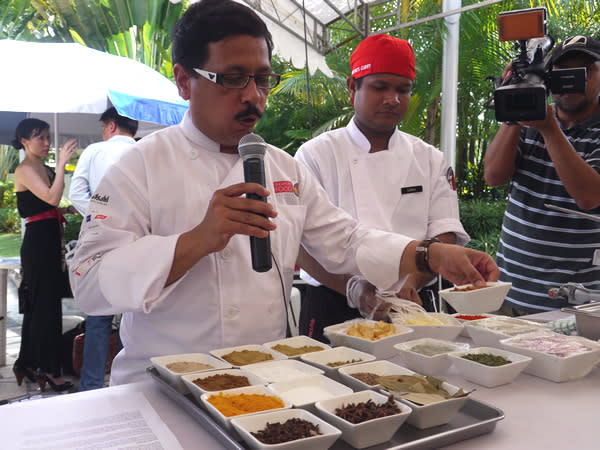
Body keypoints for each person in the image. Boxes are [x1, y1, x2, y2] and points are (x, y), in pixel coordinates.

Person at [69, 0, 498, 386]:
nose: (253, 96)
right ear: (184, 80)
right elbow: (89, 282)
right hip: (162, 385)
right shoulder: (138, 166)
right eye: (233, 79)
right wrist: (196, 241)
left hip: (264, 384)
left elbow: (345, 240)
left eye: (262, 79)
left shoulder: (283, 167)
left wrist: (431, 255)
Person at [294, 34, 469, 342]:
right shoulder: (315, 154)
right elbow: (302, 243)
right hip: (333, 301)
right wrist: (353, 288)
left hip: (410, 302)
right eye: (380, 87)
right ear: (352, 87)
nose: (393, 99)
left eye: (402, 89)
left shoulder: (429, 159)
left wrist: (411, 281)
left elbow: (445, 233)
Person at [484, 35, 600, 314]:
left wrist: (549, 129)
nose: (572, 80)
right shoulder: (530, 119)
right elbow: (494, 175)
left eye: (584, 70)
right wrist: (516, 101)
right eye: (561, 72)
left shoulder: (545, 123)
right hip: (509, 296)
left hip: (575, 308)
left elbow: (589, 196)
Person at [69, 107, 138, 391]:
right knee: (135, 315)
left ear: (110, 125)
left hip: (102, 241)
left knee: (98, 317)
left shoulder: (95, 151)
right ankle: (131, 382)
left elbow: (75, 193)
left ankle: (92, 387)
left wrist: (101, 217)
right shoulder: (147, 151)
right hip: (139, 242)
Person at [11, 118, 78, 392]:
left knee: (47, 306)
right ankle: (47, 369)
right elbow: (51, 198)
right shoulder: (26, 168)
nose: (47, 143)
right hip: (38, 244)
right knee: (43, 306)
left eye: (47, 137)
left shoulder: (41, 167)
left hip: (49, 240)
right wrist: (62, 164)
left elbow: (49, 206)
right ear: (24, 140)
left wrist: (68, 212)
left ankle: (28, 362)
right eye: (40, 137)